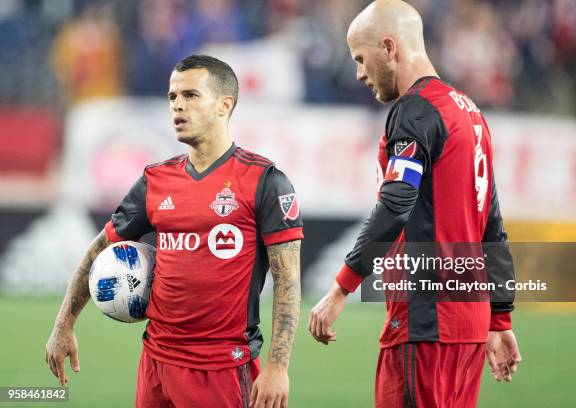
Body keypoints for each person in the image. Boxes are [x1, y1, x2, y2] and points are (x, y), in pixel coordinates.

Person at [45, 55, 303, 408]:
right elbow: (99, 249)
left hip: (222, 369)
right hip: (155, 364)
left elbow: (288, 280)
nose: (178, 105)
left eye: (191, 95)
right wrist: (64, 325)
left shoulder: (265, 181)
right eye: (172, 97)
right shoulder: (155, 180)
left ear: (224, 105)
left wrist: (277, 366)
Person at [308, 1, 521, 407]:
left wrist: (340, 289)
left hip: (426, 321)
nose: (358, 72)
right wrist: (498, 317)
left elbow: (396, 203)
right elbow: (492, 223)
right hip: (469, 326)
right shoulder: (471, 114)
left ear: (389, 48)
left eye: (360, 57)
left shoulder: (414, 111)